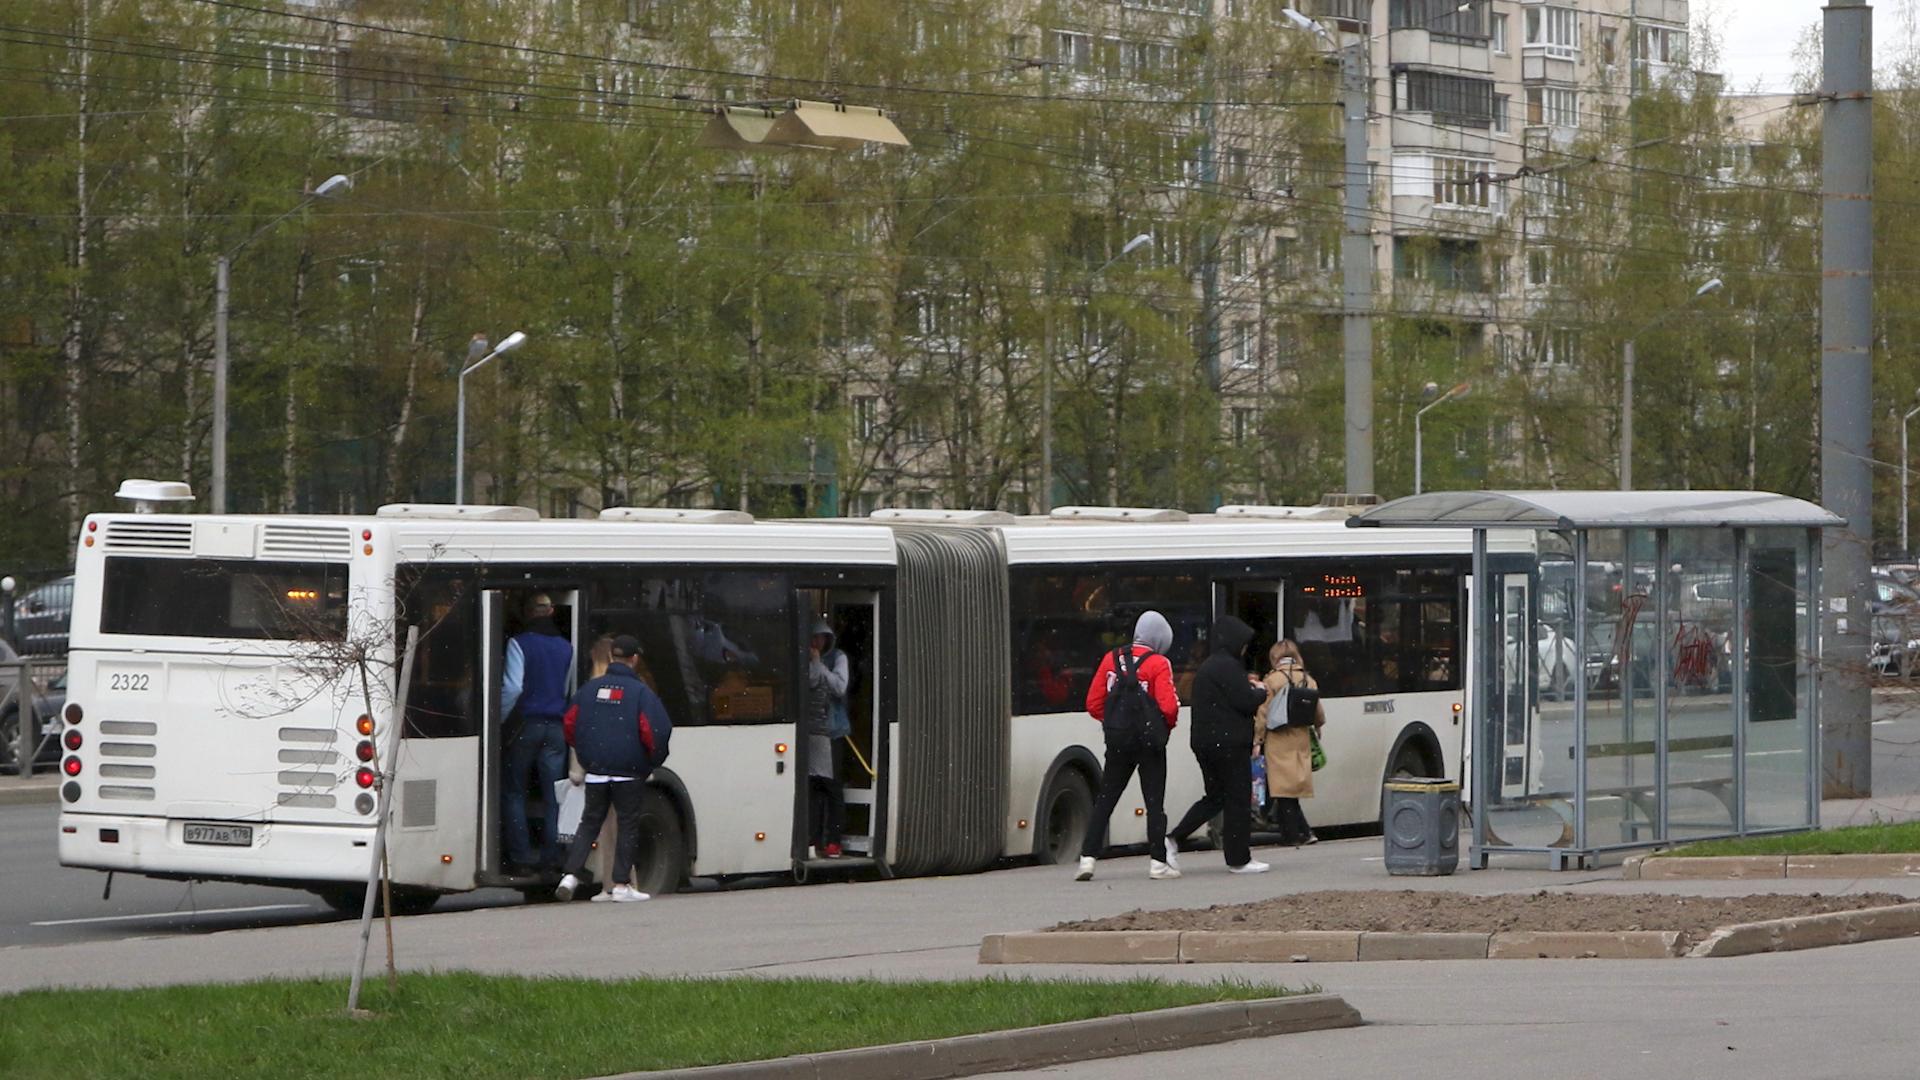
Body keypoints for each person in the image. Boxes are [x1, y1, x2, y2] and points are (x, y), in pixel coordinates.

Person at [555, 635, 671, 903]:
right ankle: (620, 885)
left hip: (596, 770)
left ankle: (570, 875)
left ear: (611, 658)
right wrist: (650, 761)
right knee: (628, 824)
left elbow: (571, 725)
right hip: (628, 772)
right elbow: (655, 731)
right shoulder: (641, 693)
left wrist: (587, 756)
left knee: (589, 823)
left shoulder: (589, 690)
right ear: (634, 659)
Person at [1076, 610, 1181, 882]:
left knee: (1105, 799)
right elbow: (1169, 707)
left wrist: (1115, 722)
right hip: (1149, 743)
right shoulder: (1159, 663)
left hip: (1118, 740)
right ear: (1159, 639)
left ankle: (1087, 858)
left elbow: (1093, 703)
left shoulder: (1110, 659)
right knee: (1154, 802)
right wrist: (1160, 725)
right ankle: (1158, 862)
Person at [1166, 615, 1271, 874]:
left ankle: (1172, 839)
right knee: (1237, 799)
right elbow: (1245, 701)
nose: (1245, 648)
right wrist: (1261, 691)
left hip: (1205, 742)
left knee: (1215, 797)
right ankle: (1239, 858)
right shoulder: (1229, 667)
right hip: (1229, 743)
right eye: (1243, 643)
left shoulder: (1209, 666)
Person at [500, 593, 574, 874]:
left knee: (515, 792)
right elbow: (566, 689)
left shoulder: (519, 643)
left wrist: (500, 719)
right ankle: (552, 855)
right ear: (552, 611)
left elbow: (513, 688)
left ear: (528, 613)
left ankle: (520, 857)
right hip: (556, 727)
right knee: (553, 795)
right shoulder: (566, 647)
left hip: (526, 725)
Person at [1256, 639, 1326, 846]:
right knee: (1290, 790)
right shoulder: (1308, 680)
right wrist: (1318, 727)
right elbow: (1318, 713)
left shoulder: (1272, 680)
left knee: (1283, 790)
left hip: (1278, 739)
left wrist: (1257, 739)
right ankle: (1303, 832)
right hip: (1300, 738)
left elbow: (1263, 713)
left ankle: (1293, 835)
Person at [805, 617, 851, 858]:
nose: (817, 642)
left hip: (833, 731)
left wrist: (820, 665)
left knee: (833, 789)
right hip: (813, 732)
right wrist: (814, 662)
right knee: (813, 788)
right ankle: (814, 839)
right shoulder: (808, 660)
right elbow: (810, 683)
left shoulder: (838, 658)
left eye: (821, 638)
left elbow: (839, 687)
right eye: (813, 637)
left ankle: (834, 840)